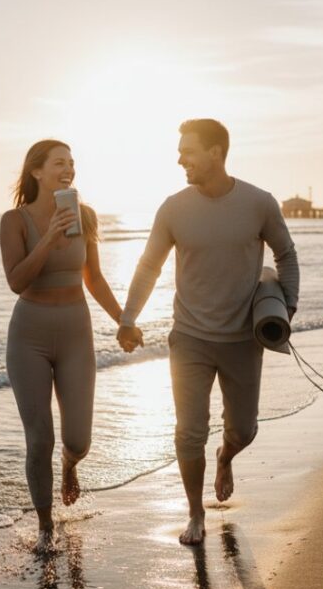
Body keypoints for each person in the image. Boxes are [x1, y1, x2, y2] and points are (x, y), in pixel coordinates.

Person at [117, 119, 300, 545]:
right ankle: (195, 513)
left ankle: (226, 456)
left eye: (188, 151)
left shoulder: (259, 203)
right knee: (188, 432)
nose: (180, 159)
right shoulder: (173, 208)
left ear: (216, 153)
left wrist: (287, 306)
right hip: (190, 339)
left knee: (244, 430)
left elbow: (286, 253)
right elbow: (148, 265)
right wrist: (128, 317)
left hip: (241, 340)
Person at [0, 139, 132, 552]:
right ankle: (45, 526)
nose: (69, 169)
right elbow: (17, 281)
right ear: (37, 171)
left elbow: (93, 278)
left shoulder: (85, 216)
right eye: (60, 163)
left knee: (79, 441)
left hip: (76, 331)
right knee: (39, 438)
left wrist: (124, 322)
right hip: (29, 335)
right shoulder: (14, 221)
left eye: (72, 163)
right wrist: (49, 238)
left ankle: (70, 468)